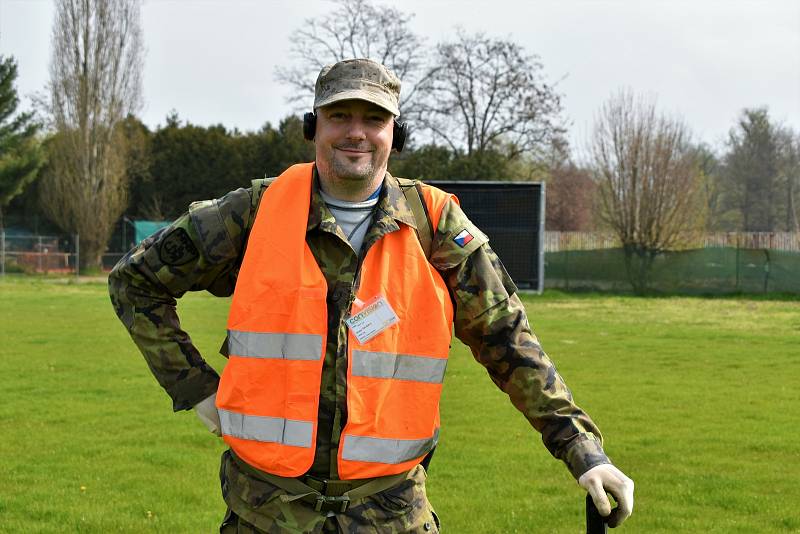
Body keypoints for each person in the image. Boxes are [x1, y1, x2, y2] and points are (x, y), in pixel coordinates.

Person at [109, 58, 634, 533]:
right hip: (263, 515)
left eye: (373, 119)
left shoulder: (434, 223)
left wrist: (584, 452)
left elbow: (508, 339)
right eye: (339, 117)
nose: (356, 133)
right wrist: (195, 387)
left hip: (392, 517)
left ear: (394, 132)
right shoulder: (254, 211)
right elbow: (134, 281)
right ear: (314, 126)